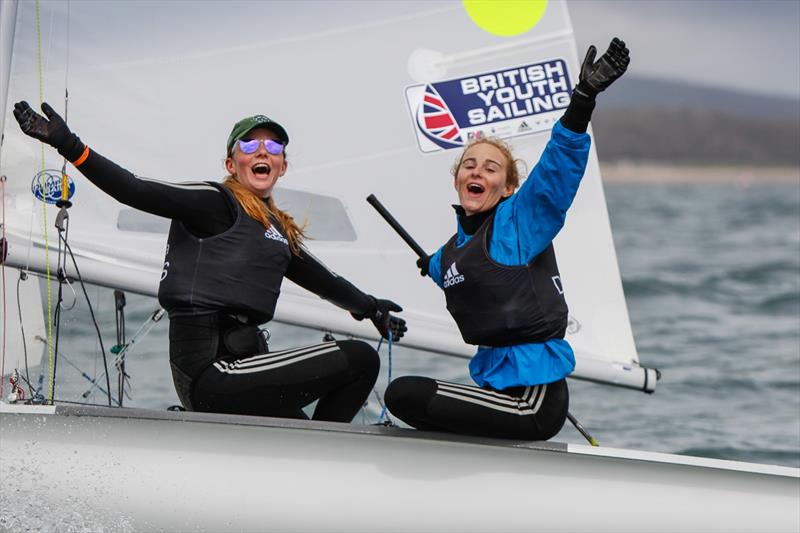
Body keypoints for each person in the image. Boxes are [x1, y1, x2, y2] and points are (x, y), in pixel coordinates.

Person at [13, 104, 406, 421]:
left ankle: (318, 465)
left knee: (307, 423)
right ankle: (325, 458)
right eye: (250, 146)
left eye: (272, 148)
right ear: (231, 163)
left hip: (248, 368)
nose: (262, 152)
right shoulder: (213, 202)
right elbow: (135, 190)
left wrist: (372, 309)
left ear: (283, 166)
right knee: (358, 358)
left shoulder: (275, 232)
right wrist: (69, 145)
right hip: (211, 373)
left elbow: (324, 280)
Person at [384, 38, 629, 440]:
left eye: (491, 168)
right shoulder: (451, 253)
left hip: (533, 402)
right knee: (413, 400)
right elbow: (449, 265)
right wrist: (427, 266)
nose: (477, 172)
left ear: (508, 186)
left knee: (405, 394)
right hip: (496, 392)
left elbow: (555, 173)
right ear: (458, 178)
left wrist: (583, 99)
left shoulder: (519, 222)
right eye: (469, 165)